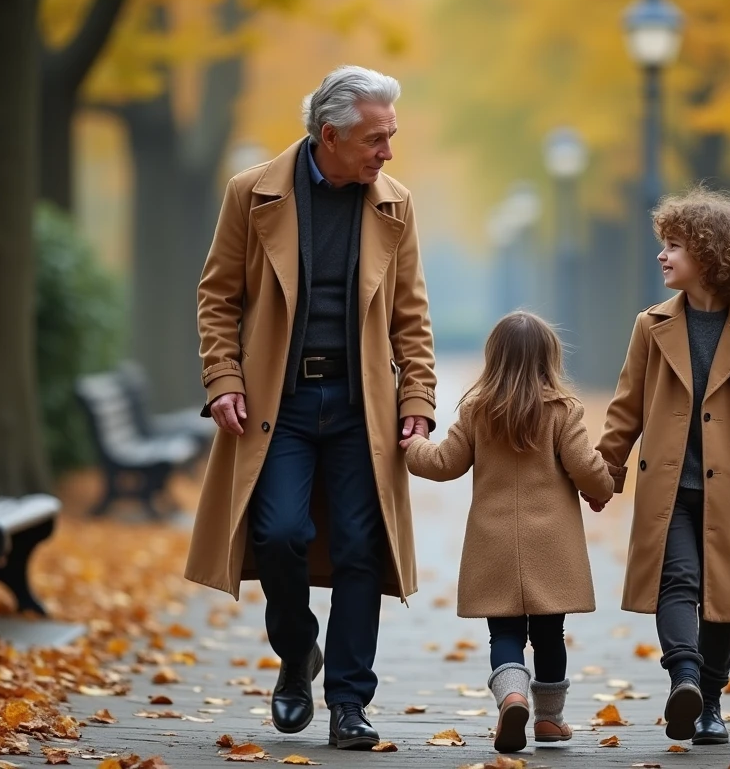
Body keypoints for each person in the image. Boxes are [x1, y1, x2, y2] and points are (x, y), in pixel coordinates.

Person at [185, 66, 437, 751]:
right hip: (280, 403)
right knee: (279, 535)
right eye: (376, 139)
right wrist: (223, 378)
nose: (387, 151)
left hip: (362, 406)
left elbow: (411, 314)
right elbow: (217, 297)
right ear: (331, 136)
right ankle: (298, 653)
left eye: (390, 136)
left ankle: (350, 702)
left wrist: (417, 396)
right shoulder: (252, 194)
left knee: (360, 548)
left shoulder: (395, 204)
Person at [587, 187, 730, 746]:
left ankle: (709, 705)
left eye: (674, 246)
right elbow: (626, 409)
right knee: (677, 581)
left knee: (722, 598)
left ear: (709, 255)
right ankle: (684, 678)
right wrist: (605, 474)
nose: (662, 255)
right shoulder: (650, 326)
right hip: (670, 487)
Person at [400, 312, 613, 754]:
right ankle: (550, 720)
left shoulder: (477, 411)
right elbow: (587, 469)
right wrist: (603, 486)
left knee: (505, 635)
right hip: (551, 547)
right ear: (549, 359)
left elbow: (443, 464)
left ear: (493, 358)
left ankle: (512, 697)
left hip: (493, 545)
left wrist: (412, 446)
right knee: (550, 635)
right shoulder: (562, 411)